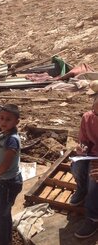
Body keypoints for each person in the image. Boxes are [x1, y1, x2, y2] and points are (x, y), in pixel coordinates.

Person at [0, 104, 23, 245]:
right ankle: (6, 238)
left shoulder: (12, 139)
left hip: (10, 182)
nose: (3, 122)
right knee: (4, 212)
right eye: (2, 118)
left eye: (8, 119)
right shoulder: (4, 134)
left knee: (1, 214)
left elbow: (6, 164)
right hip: (6, 180)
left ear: (16, 122)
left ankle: (4, 242)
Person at [70, 94, 98, 239]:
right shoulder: (87, 118)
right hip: (92, 154)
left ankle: (93, 218)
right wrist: (82, 148)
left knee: (94, 177)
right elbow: (84, 141)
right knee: (77, 165)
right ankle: (81, 190)